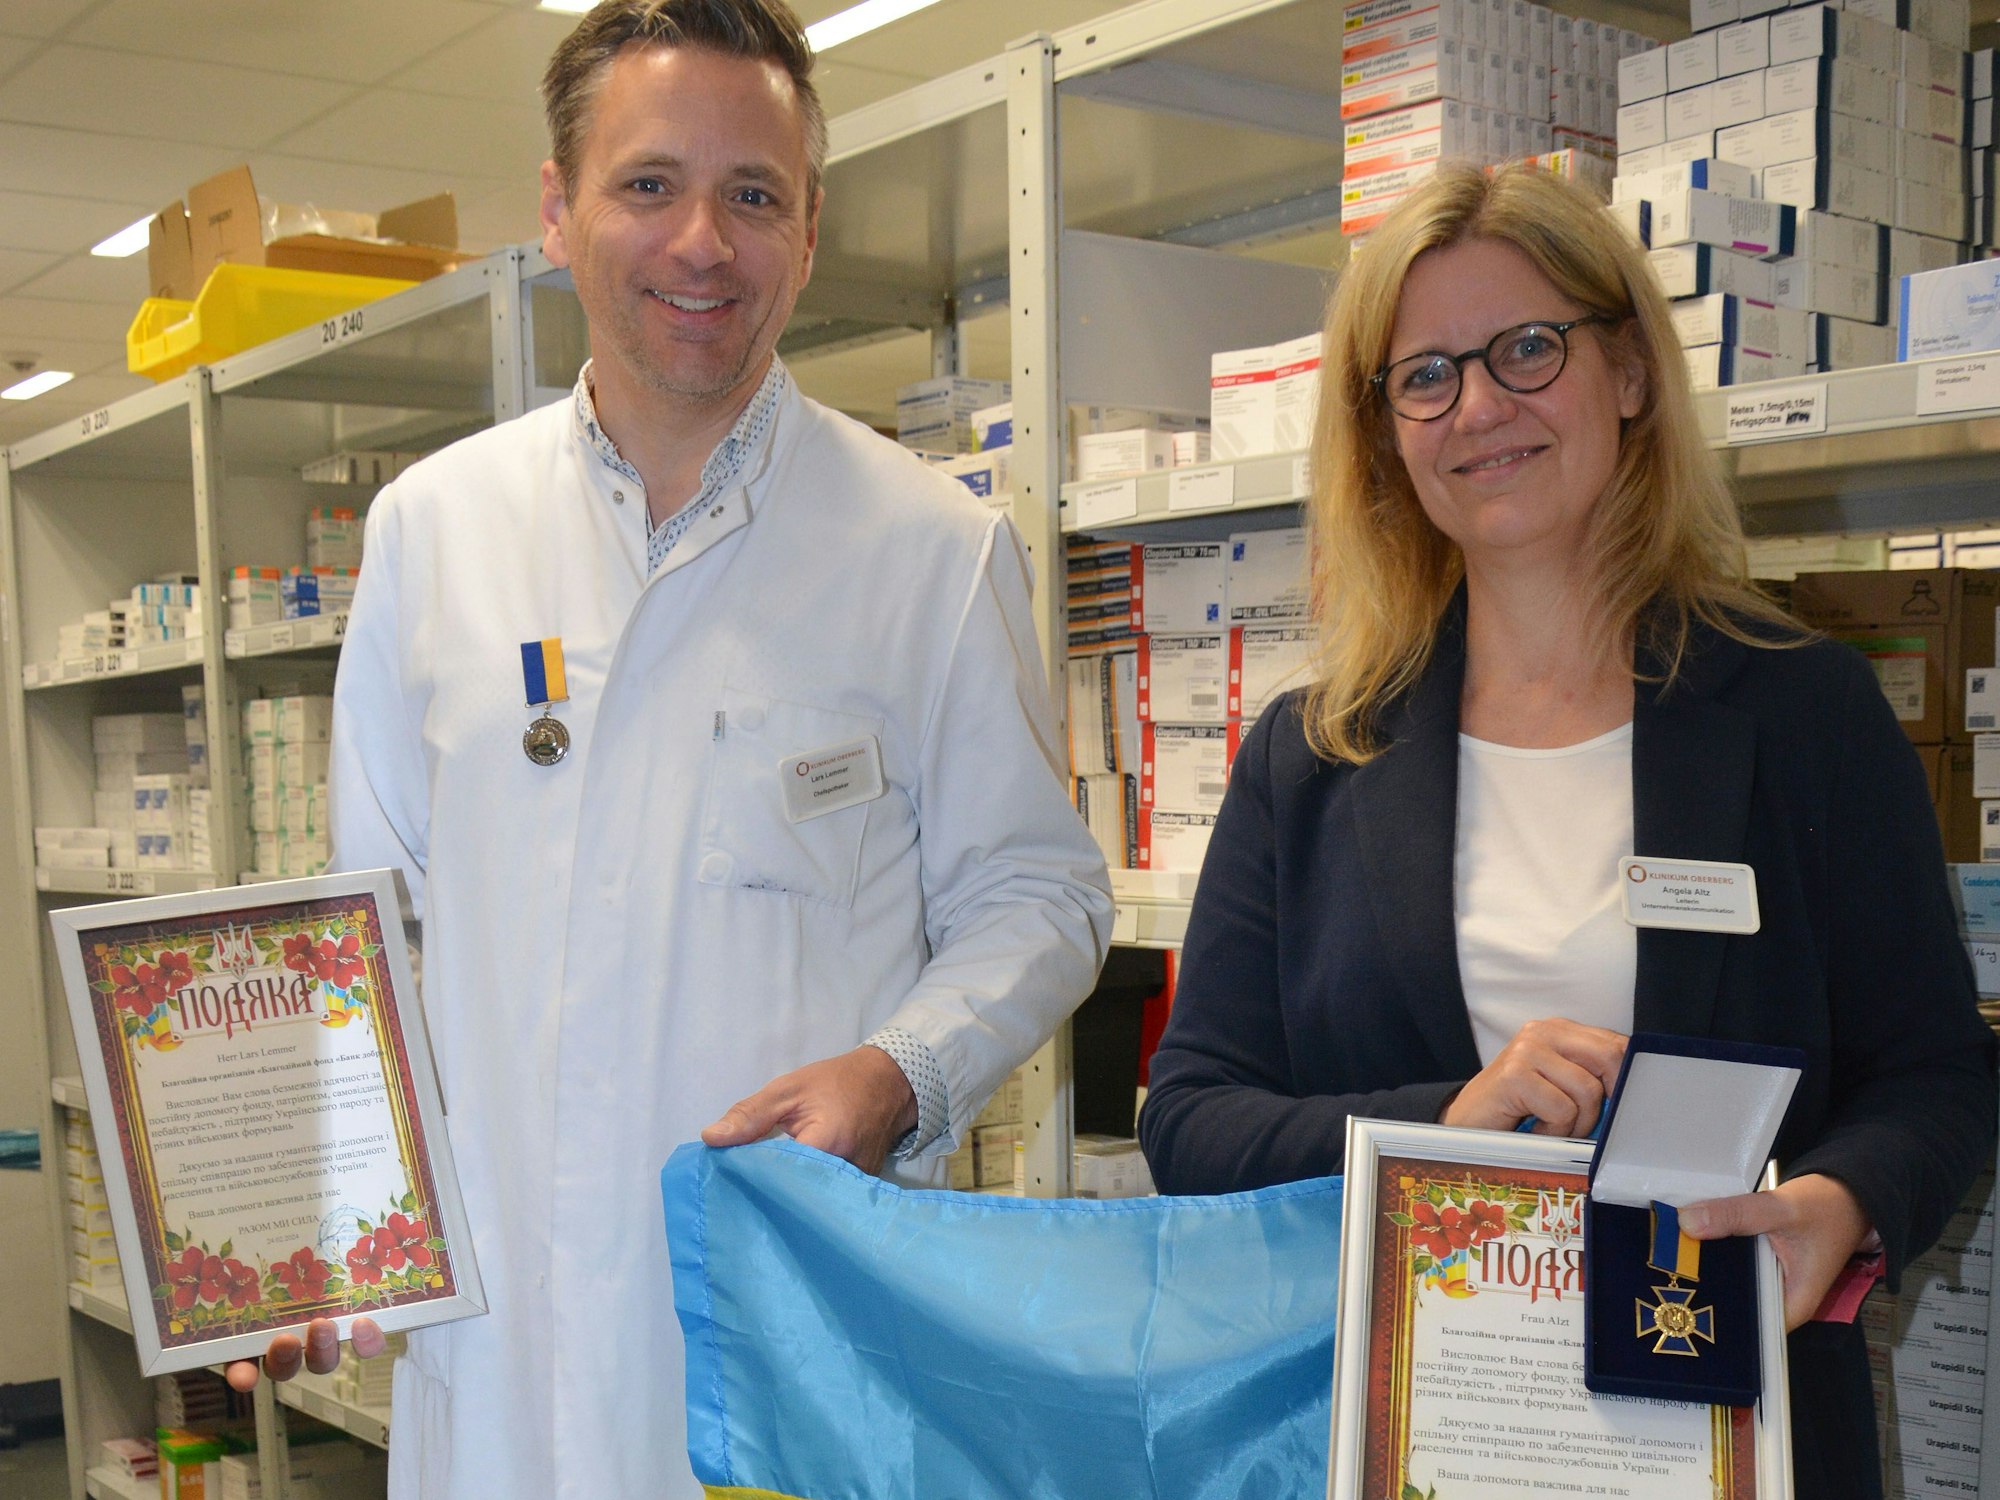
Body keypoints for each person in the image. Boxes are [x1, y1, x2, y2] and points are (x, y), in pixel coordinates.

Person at [223, 2, 1114, 1495]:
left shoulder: (929, 549)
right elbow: (359, 941)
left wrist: (902, 1073)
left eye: (753, 194)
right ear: (558, 210)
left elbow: (1042, 894)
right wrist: (308, 1221)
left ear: (809, 230)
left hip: (791, 1341)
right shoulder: (434, 530)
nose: (702, 241)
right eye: (648, 184)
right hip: (500, 1360)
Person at [1137, 162, 1996, 1497]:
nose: (1480, 406)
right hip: (1421, 1437)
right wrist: (1448, 1124)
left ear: (1631, 371)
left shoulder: (1804, 714)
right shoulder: (1311, 758)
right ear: (1384, 432)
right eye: (1426, 376)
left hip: (1729, 1418)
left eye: (1529, 348)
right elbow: (1191, 1122)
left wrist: (1836, 1210)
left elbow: (1939, 1073)